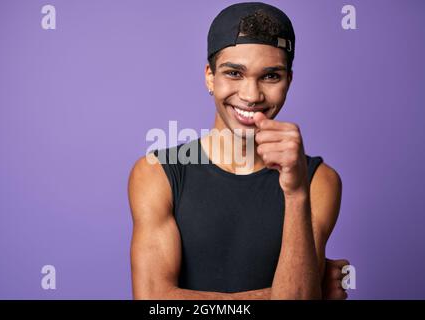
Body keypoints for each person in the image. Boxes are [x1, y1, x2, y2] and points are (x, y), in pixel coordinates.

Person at [128, 2, 350, 299]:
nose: (251, 95)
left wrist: (295, 191)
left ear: (289, 81)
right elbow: (155, 302)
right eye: (234, 73)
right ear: (210, 77)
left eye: (270, 76)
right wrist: (309, 290)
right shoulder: (157, 173)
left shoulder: (319, 181)